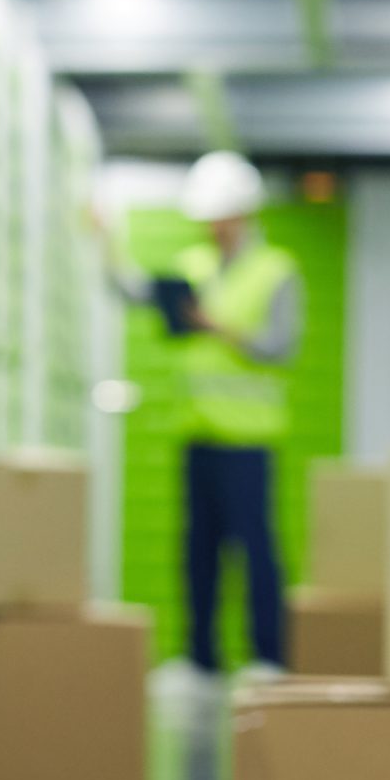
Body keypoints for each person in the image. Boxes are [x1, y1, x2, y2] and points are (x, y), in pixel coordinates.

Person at [107, 151, 303, 687]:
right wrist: (105, 242)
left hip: (249, 439)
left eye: (220, 215)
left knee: (256, 551)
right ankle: (201, 658)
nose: (212, 226)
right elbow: (135, 293)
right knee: (199, 552)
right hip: (197, 434)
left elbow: (282, 345)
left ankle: (267, 655)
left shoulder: (275, 271)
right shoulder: (193, 267)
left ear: (242, 213)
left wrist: (216, 327)